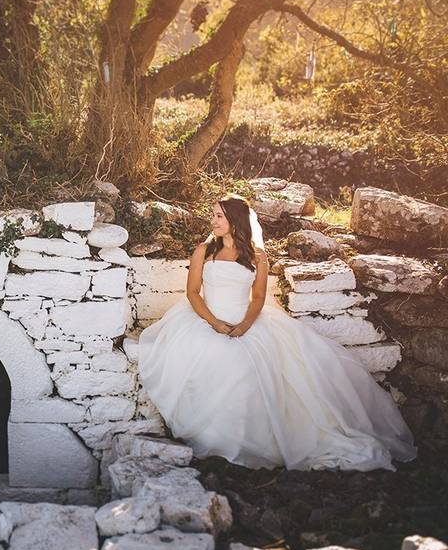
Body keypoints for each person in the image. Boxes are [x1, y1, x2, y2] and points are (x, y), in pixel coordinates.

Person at [137, 194, 416, 471]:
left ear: (235, 221)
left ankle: (254, 442)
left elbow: (258, 297)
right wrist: (213, 322)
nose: (213, 220)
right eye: (213, 215)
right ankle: (214, 440)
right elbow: (192, 293)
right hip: (205, 319)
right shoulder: (204, 251)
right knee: (213, 362)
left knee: (258, 368)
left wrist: (245, 325)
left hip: (245, 320)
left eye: (219, 216)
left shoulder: (258, 257)